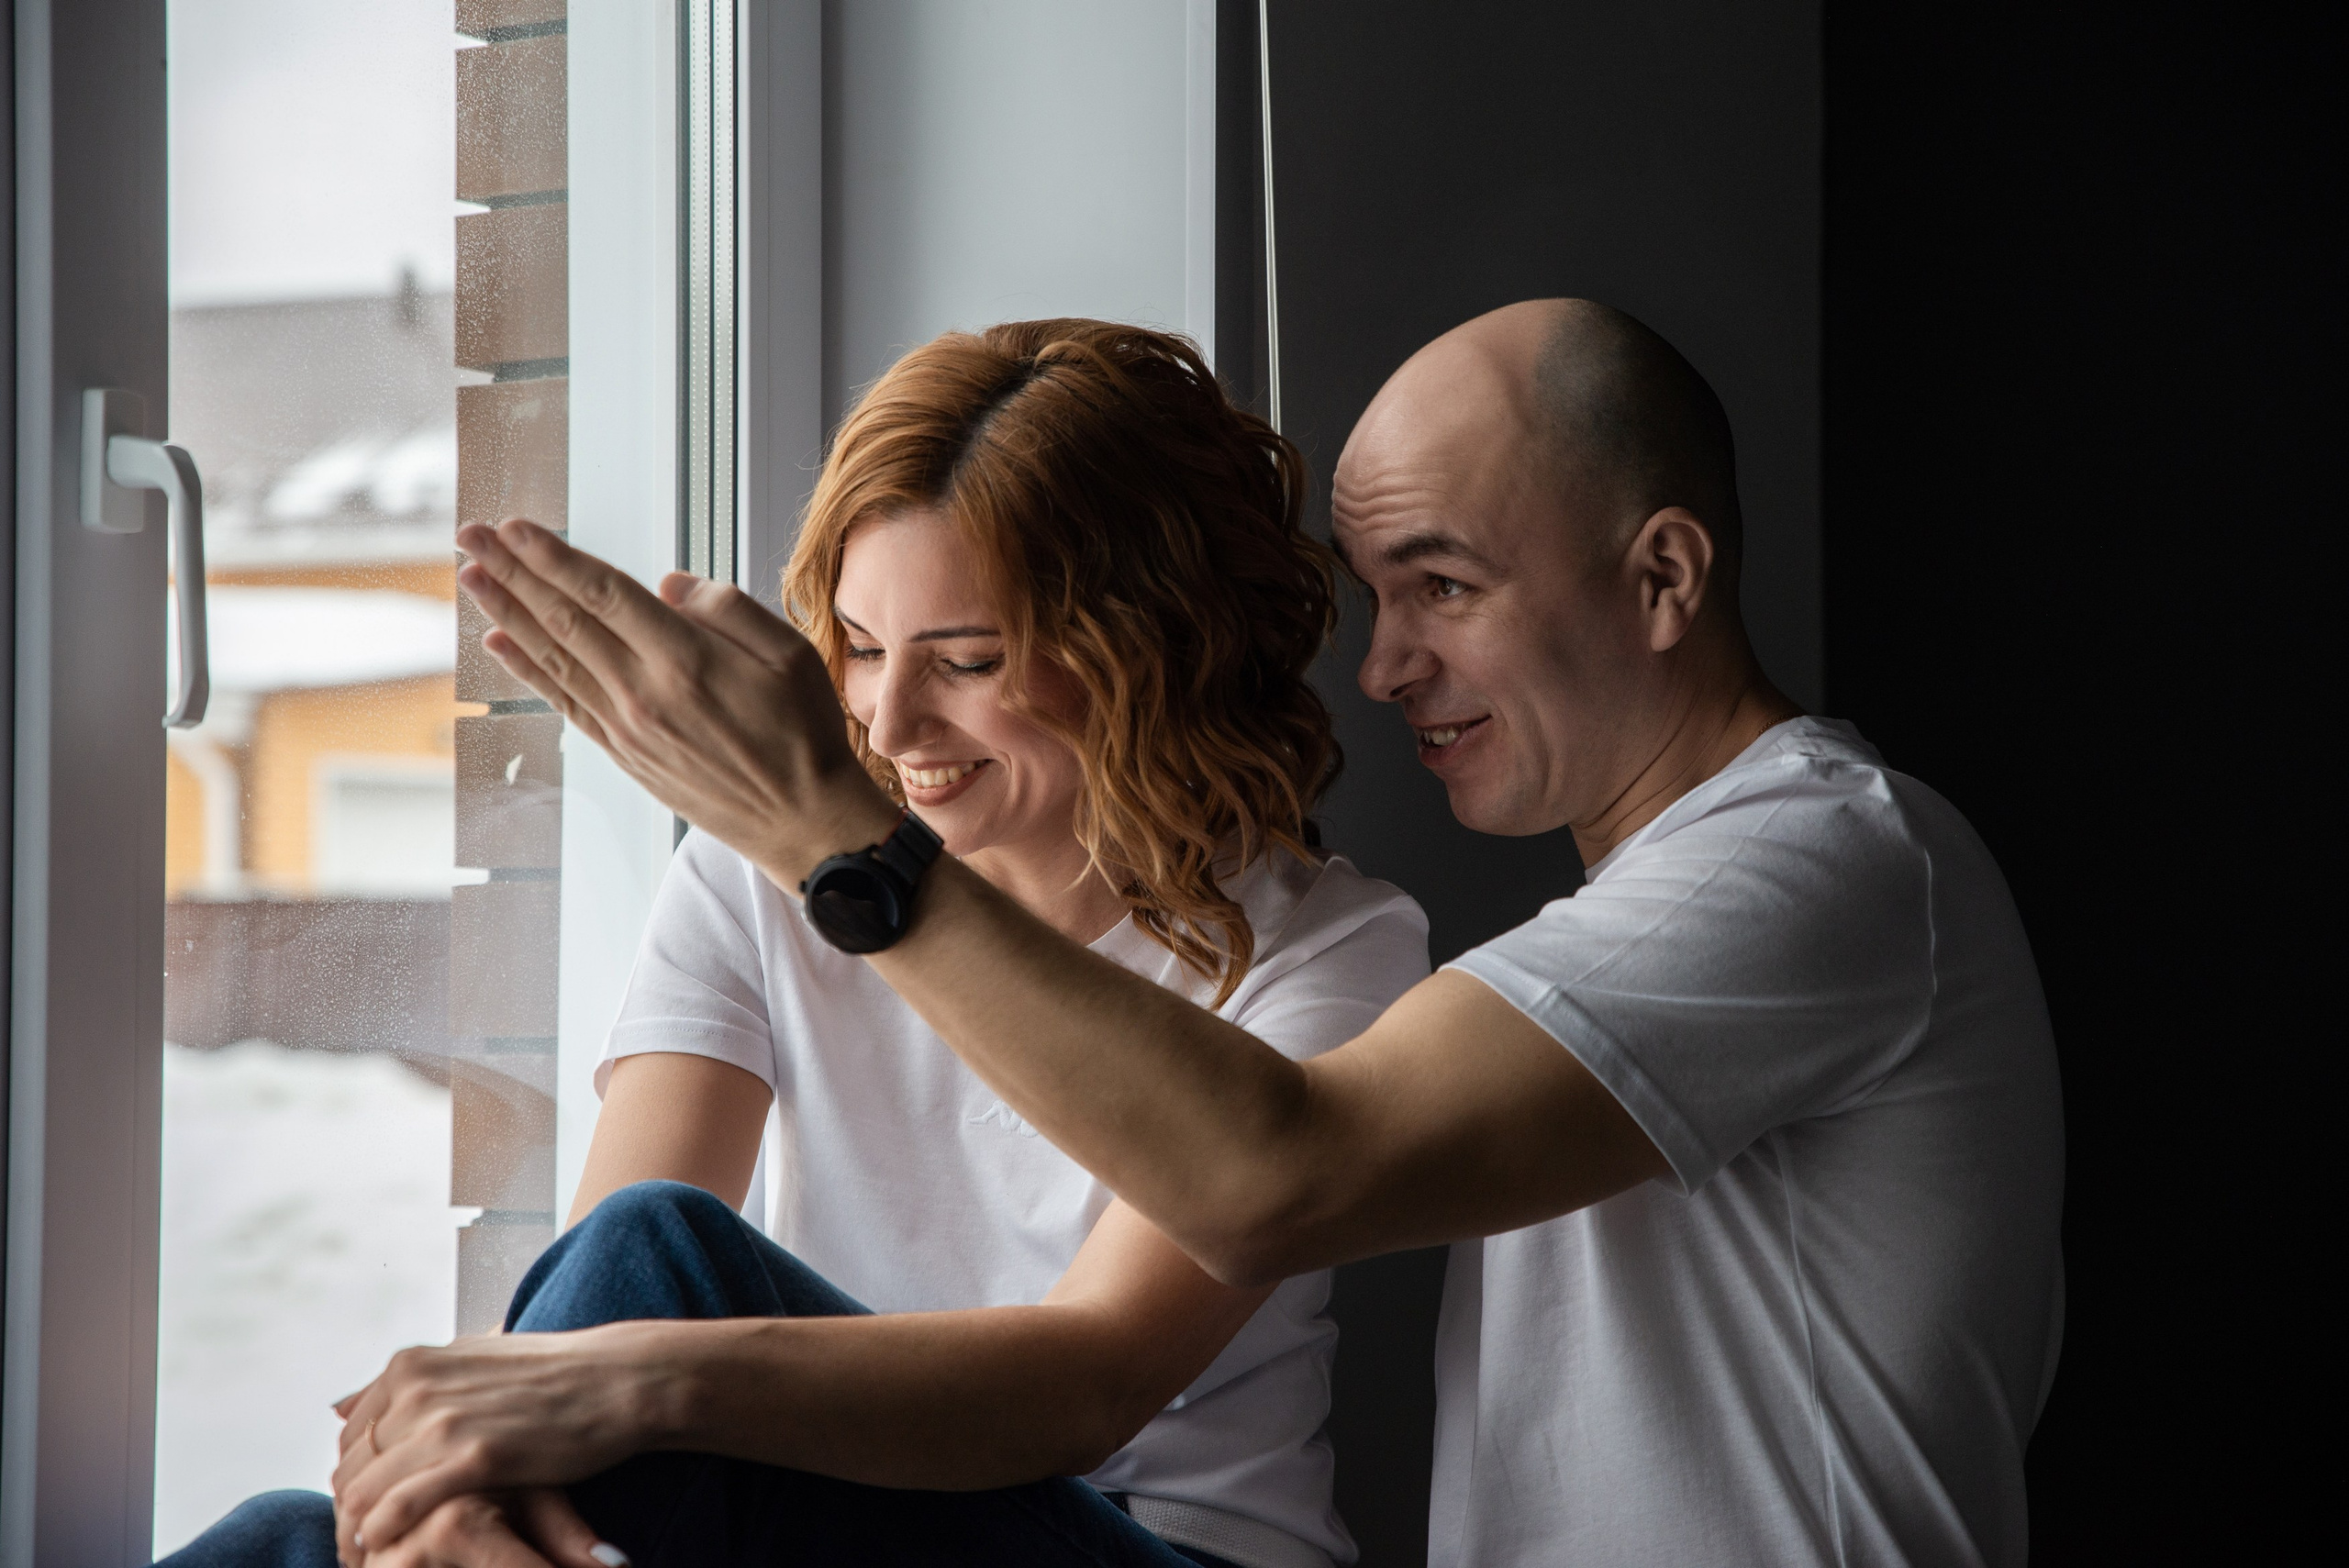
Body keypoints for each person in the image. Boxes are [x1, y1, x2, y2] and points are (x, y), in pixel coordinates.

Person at [429, 298, 2065, 1566]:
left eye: (1442, 586)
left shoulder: (1824, 859)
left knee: (640, 1287)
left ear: (1661, 578)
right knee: (307, 1527)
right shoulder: (1633, 922)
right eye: (1377, 599)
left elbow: (1273, 1178)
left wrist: (828, 841)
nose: (1384, 666)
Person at [158, 320, 1429, 1568]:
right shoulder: (758, 878)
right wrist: (462, 1487)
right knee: (291, 1537)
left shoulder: (1330, 954)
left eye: (968, 659)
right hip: (818, 1515)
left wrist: (633, 1387)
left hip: (1142, 1542)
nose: (887, 716)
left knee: (661, 1264)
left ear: (1154, 647)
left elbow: (1087, 1383)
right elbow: (596, 1299)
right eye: (862, 649)